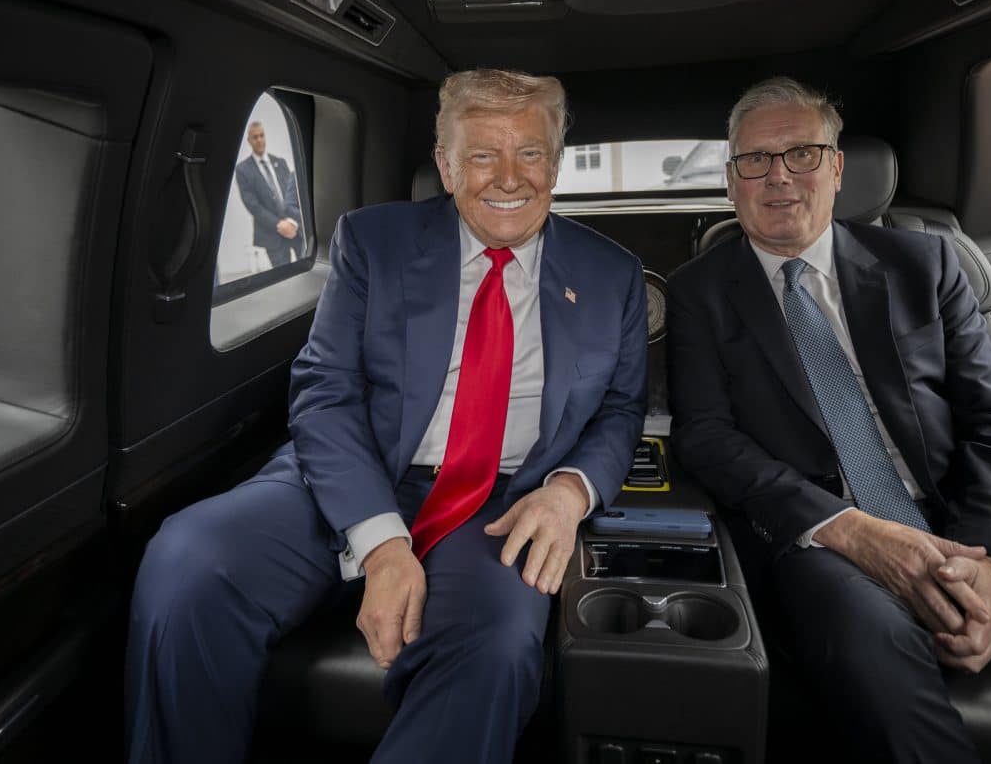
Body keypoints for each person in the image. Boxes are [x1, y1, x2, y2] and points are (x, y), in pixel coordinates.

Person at [127, 68, 648, 764]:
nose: (509, 177)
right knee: (187, 559)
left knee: (495, 650)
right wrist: (380, 544)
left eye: (529, 153)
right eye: (482, 154)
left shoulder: (614, 274)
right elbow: (325, 389)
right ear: (446, 166)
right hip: (355, 469)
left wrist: (568, 492)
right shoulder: (374, 241)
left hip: (503, 501)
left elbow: (620, 409)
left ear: (555, 164)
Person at [668, 76, 991, 763]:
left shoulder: (925, 263)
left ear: (836, 168)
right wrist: (852, 530)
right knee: (867, 642)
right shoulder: (697, 292)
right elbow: (707, 438)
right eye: (755, 160)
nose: (778, 177)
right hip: (826, 536)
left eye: (801, 154)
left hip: (965, 507)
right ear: (732, 181)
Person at [235, 122, 304, 268]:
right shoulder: (243, 170)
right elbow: (252, 205)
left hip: (295, 229)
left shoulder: (280, 162)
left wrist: (292, 221)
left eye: (262, 135)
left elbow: (292, 195)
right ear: (249, 141)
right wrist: (279, 224)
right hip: (272, 235)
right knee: (284, 277)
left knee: (307, 269)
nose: (259, 140)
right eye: (255, 137)